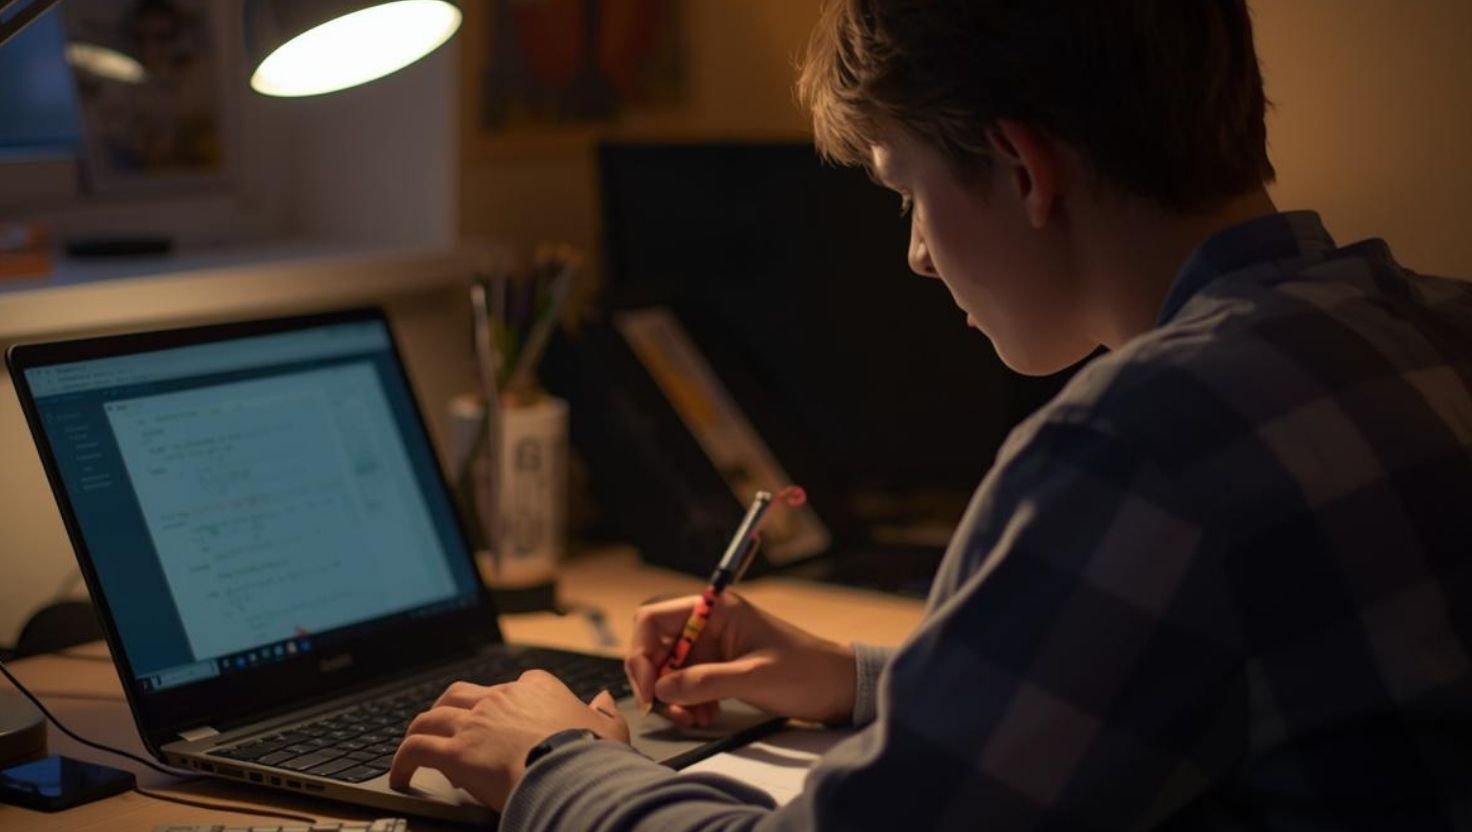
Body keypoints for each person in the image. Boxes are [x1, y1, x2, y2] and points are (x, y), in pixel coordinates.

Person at [389, 0, 1472, 827]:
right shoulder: (1428, 323)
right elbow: (1194, 676)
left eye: (905, 189)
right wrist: (859, 678)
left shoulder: (1133, 446)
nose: (913, 251)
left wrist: (554, 760)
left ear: (1017, 166)